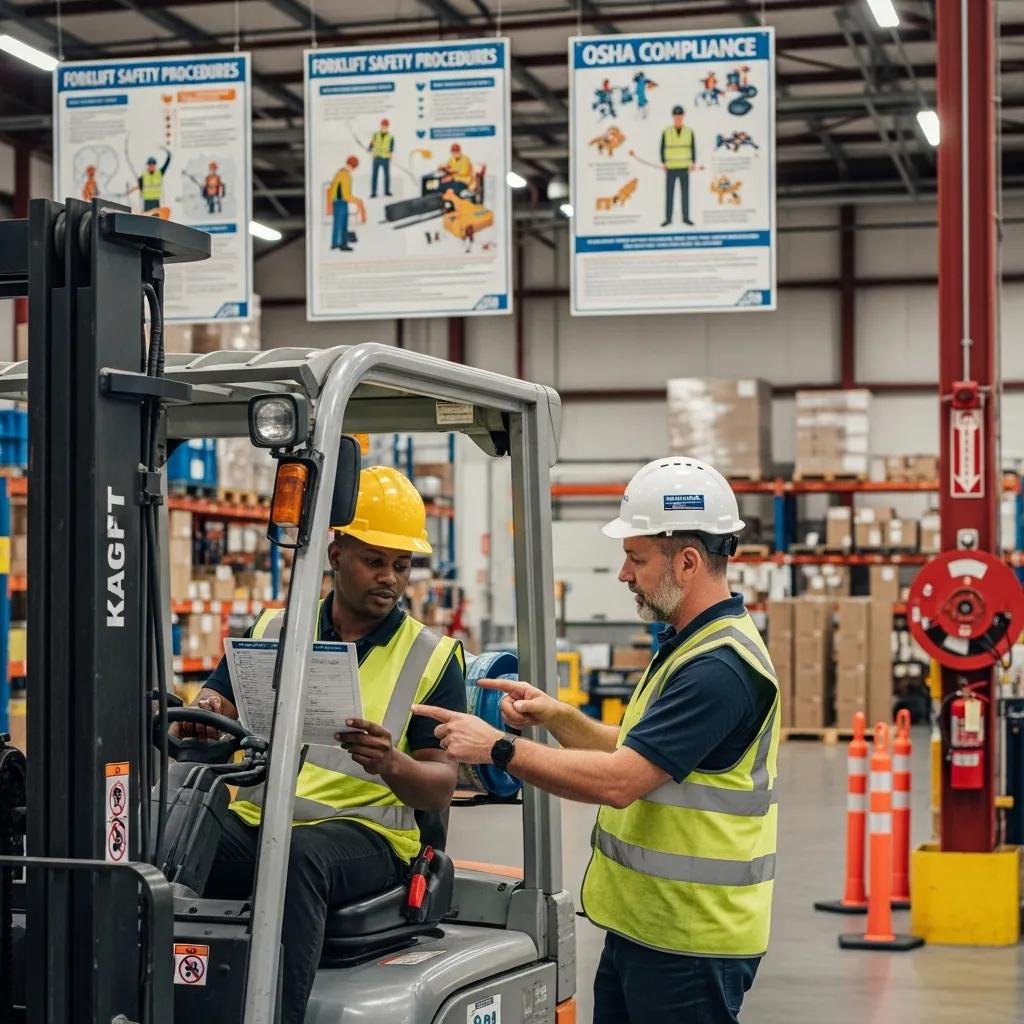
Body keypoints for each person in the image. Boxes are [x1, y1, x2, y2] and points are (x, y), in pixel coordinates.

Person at [413, 457, 780, 1024]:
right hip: (647, 928)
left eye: (635, 558)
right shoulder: (689, 644)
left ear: (686, 562)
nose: (623, 574)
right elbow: (634, 747)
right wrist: (556, 716)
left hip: (689, 940)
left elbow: (621, 782)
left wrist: (499, 749)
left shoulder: (719, 669)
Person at [180, 466, 467, 1024]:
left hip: (371, 839)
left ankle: (271, 1016)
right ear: (335, 555)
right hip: (263, 822)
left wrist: (392, 761)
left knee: (298, 858)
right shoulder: (275, 627)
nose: (390, 578)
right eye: (375, 560)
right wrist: (206, 715)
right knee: (173, 826)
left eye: (401, 566)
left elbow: (439, 786)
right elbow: (217, 706)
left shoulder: (431, 656)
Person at [661, 105, 696, 228]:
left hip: (685, 167)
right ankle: (668, 219)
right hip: (670, 168)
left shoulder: (689, 131)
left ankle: (686, 218)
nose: (678, 119)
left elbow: (693, 148)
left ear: (683, 117)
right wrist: (663, 162)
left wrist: (693, 163)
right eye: (676, 116)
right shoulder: (666, 131)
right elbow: (662, 147)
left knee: (685, 194)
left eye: (680, 116)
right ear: (673, 117)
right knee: (669, 194)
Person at [326, 155, 363, 251]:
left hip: (336, 201)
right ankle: (343, 245)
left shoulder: (339, 172)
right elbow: (346, 195)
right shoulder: (346, 175)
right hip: (341, 202)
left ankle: (334, 244)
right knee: (343, 224)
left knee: (337, 223)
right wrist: (357, 200)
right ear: (353, 166)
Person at [137, 148, 171, 212]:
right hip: (147, 201)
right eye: (150, 165)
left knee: (156, 218)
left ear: (155, 165)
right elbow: (141, 187)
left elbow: (166, 165)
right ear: (148, 165)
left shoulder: (159, 173)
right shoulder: (143, 175)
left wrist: (168, 155)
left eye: (153, 165)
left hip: (156, 200)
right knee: (147, 218)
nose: (151, 166)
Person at [368, 117, 395, 198]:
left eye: (386, 126)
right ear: (381, 126)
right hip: (376, 158)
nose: (384, 128)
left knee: (387, 176)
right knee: (374, 175)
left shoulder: (391, 137)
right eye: (383, 126)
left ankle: (387, 191)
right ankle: (373, 193)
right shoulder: (375, 135)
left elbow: (391, 148)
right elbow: (372, 143)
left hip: (385, 159)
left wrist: (390, 156)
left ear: (388, 127)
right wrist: (370, 148)